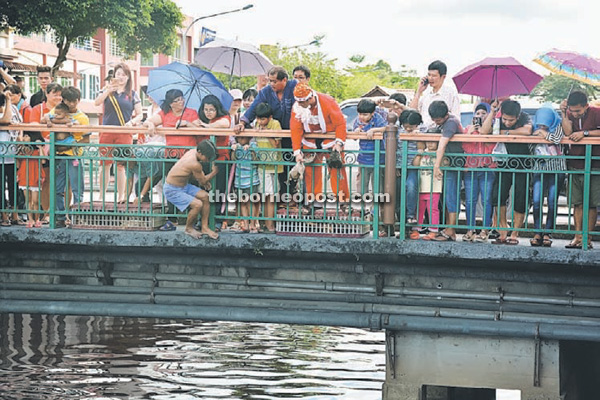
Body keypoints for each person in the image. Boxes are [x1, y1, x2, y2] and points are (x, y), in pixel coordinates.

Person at [480, 99, 533, 245]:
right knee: (499, 195)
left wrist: (505, 132)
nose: (507, 122)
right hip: (503, 163)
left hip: (522, 163)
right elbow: (484, 131)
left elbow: (527, 131)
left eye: (511, 120)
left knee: (520, 198)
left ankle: (514, 233)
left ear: (517, 117)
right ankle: (502, 230)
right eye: (505, 119)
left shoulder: (525, 117)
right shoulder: (497, 118)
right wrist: (492, 112)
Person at [290, 82, 349, 203]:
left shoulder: (328, 101)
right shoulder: (297, 107)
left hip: (330, 140)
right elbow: (295, 129)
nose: (299, 105)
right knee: (311, 173)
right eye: (298, 102)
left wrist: (338, 143)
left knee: (337, 170)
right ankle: (314, 201)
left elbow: (340, 123)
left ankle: (343, 200)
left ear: (310, 98)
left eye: (302, 102)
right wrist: (297, 152)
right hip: (310, 142)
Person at [94, 63, 143, 204]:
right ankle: (101, 196)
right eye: (118, 74)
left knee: (121, 165)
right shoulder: (106, 90)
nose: (120, 77)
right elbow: (96, 103)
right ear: (114, 75)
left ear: (128, 77)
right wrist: (108, 91)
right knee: (104, 164)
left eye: (124, 74)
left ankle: (121, 196)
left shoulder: (133, 94)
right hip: (107, 130)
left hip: (124, 132)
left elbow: (140, 114)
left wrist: (132, 123)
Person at [561, 91, 600, 249]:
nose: (575, 114)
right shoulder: (569, 114)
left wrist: (585, 133)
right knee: (576, 202)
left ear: (586, 106)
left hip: (594, 164)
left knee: (591, 203)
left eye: (578, 111)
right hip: (575, 162)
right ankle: (577, 237)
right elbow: (568, 132)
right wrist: (564, 113)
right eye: (572, 110)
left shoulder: (596, 113)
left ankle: (587, 238)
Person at [45, 87, 90, 227]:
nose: (71, 104)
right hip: (59, 155)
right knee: (58, 188)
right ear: (63, 100)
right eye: (68, 101)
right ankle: (60, 217)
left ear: (78, 101)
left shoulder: (82, 118)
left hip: (73, 156)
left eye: (74, 101)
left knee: (77, 188)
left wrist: (69, 145)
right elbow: (46, 118)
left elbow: (86, 140)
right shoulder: (57, 111)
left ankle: (77, 217)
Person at [162, 140, 219, 240]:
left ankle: (205, 227)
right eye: (207, 157)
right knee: (198, 204)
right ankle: (188, 228)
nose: (208, 160)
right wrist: (214, 172)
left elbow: (192, 175)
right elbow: (202, 181)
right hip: (172, 189)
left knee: (205, 197)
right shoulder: (195, 164)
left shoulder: (192, 151)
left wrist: (204, 181)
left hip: (183, 185)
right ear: (200, 153)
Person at [529, 106, 566, 248]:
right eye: (540, 124)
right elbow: (530, 145)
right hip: (539, 167)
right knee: (537, 200)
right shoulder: (534, 127)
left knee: (552, 201)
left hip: (557, 168)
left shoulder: (558, 126)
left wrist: (543, 134)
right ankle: (537, 231)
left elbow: (557, 139)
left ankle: (548, 233)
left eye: (545, 124)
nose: (542, 126)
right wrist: (536, 134)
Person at [26, 82, 63, 223]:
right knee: (47, 180)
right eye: (55, 94)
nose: (58, 97)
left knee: (64, 182)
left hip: (61, 148)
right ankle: (47, 212)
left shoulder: (64, 109)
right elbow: (33, 127)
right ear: (47, 94)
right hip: (44, 149)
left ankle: (64, 213)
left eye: (60, 95)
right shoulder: (37, 109)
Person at [193, 95, 232, 229]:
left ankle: (217, 220)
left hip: (220, 159)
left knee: (218, 190)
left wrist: (205, 125)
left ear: (217, 109)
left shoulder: (224, 118)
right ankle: (201, 219)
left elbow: (224, 124)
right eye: (206, 109)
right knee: (203, 190)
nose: (208, 112)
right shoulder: (200, 121)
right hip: (204, 160)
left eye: (211, 109)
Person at [428, 100, 463, 242]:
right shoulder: (444, 122)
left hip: (455, 164)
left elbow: (442, 145)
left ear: (445, 115)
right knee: (449, 196)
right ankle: (449, 229)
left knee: (451, 196)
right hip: (449, 163)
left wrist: (436, 165)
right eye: (434, 119)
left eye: (438, 120)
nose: (436, 122)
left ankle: (451, 230)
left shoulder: (451, 122)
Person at [462, 103, 496, 243]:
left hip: (487, 167)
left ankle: (485, 230)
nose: (480, 115)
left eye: (484, 113)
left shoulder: (493, 129)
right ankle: (470, 229)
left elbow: (492, 147)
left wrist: (484, 131)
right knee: (470, 200)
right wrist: (470, 133)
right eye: (478, 113)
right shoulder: (468, 129)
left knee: (487, 200)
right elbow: (465, 146)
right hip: (471, 168)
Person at [255, 102, 283, 232]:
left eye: (262, 119)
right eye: (258, 118)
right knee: (267, 195)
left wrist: (267, 133)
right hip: (262, 165)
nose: (260, 122)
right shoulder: (256, 125)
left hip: (273, 165)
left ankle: (269, 224)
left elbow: (276, 144)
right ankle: (268, 224)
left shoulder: (275, 124)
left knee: (271, 196)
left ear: (269, 117)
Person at [409, 60, 460, 129]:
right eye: (429, 75)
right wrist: (419, 91)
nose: (430, 78)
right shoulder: (426, 93)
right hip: (424, 132)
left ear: (443, 77)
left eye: (434, 76)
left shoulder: (451, 94)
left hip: (442, 133)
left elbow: (456, 119)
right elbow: (411, 111)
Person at [354, 99, 387, 196]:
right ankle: (361, 207)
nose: (361, 117)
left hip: (378, 158)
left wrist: (374, 130)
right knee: (361, 184)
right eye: (360, 114)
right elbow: (355, 134)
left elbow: (385, 128)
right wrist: (356, 131)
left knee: (378, 185)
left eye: (365, 115)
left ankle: (375, 209)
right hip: (363, 158)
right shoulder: (358, 120)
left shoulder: (378, 118)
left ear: (372, 113)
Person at [397, 110, 423, 235]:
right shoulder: (397, 130)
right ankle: (401, 222)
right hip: (399, 165)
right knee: (398, 191)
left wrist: (417, 135)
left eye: (411, 126)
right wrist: (395, 167)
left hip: (413, 166)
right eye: (405, 126)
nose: (408, 129)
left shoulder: (422, 130)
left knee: (411, 187)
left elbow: (423, 146)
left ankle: (410, 215)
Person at [411, 140, 443, 240]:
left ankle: (433, 230)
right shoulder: (423, 152)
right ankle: (416, 229)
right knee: (419, 209)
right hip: (421, 186)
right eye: (428, 141)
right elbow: (415, 164)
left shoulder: (439, 153)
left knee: (432, 209)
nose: (430, 144)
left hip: (434, 187)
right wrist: (418, 155)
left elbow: (446, 163)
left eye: (433, 142)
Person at [0, 89, 22, 226]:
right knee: (1, 186)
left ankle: (15, 214)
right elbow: (6, 120)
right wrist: (8, 101)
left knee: (14, 185)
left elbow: (18, 125)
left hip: (12, 153)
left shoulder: (14, 108)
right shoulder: (8, 107)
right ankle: (4, 215)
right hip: (1, 154)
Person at [232, 134, 261, 233]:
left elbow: (256, 160)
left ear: (248, 138)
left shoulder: (254, 145)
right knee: (242, 202)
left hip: (251, 179)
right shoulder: (238, 146)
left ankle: (253, 224)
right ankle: (245, 223)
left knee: (251, 202)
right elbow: (234, 159)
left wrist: (251, 150)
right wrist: (234, 150)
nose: (241, 140)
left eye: (243, 138)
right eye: (239, 138)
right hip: (239, 180)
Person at [16, 131, 46, 228]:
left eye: (26, 136)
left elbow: (43, 161)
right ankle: (30, 219)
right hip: (25, 175)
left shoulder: (37, 150)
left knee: (35, 200)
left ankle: (37, 219)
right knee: (27, 200)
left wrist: (40, 147)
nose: (24, 138)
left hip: (35, 175)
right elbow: (17, 162)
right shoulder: (23, 149)